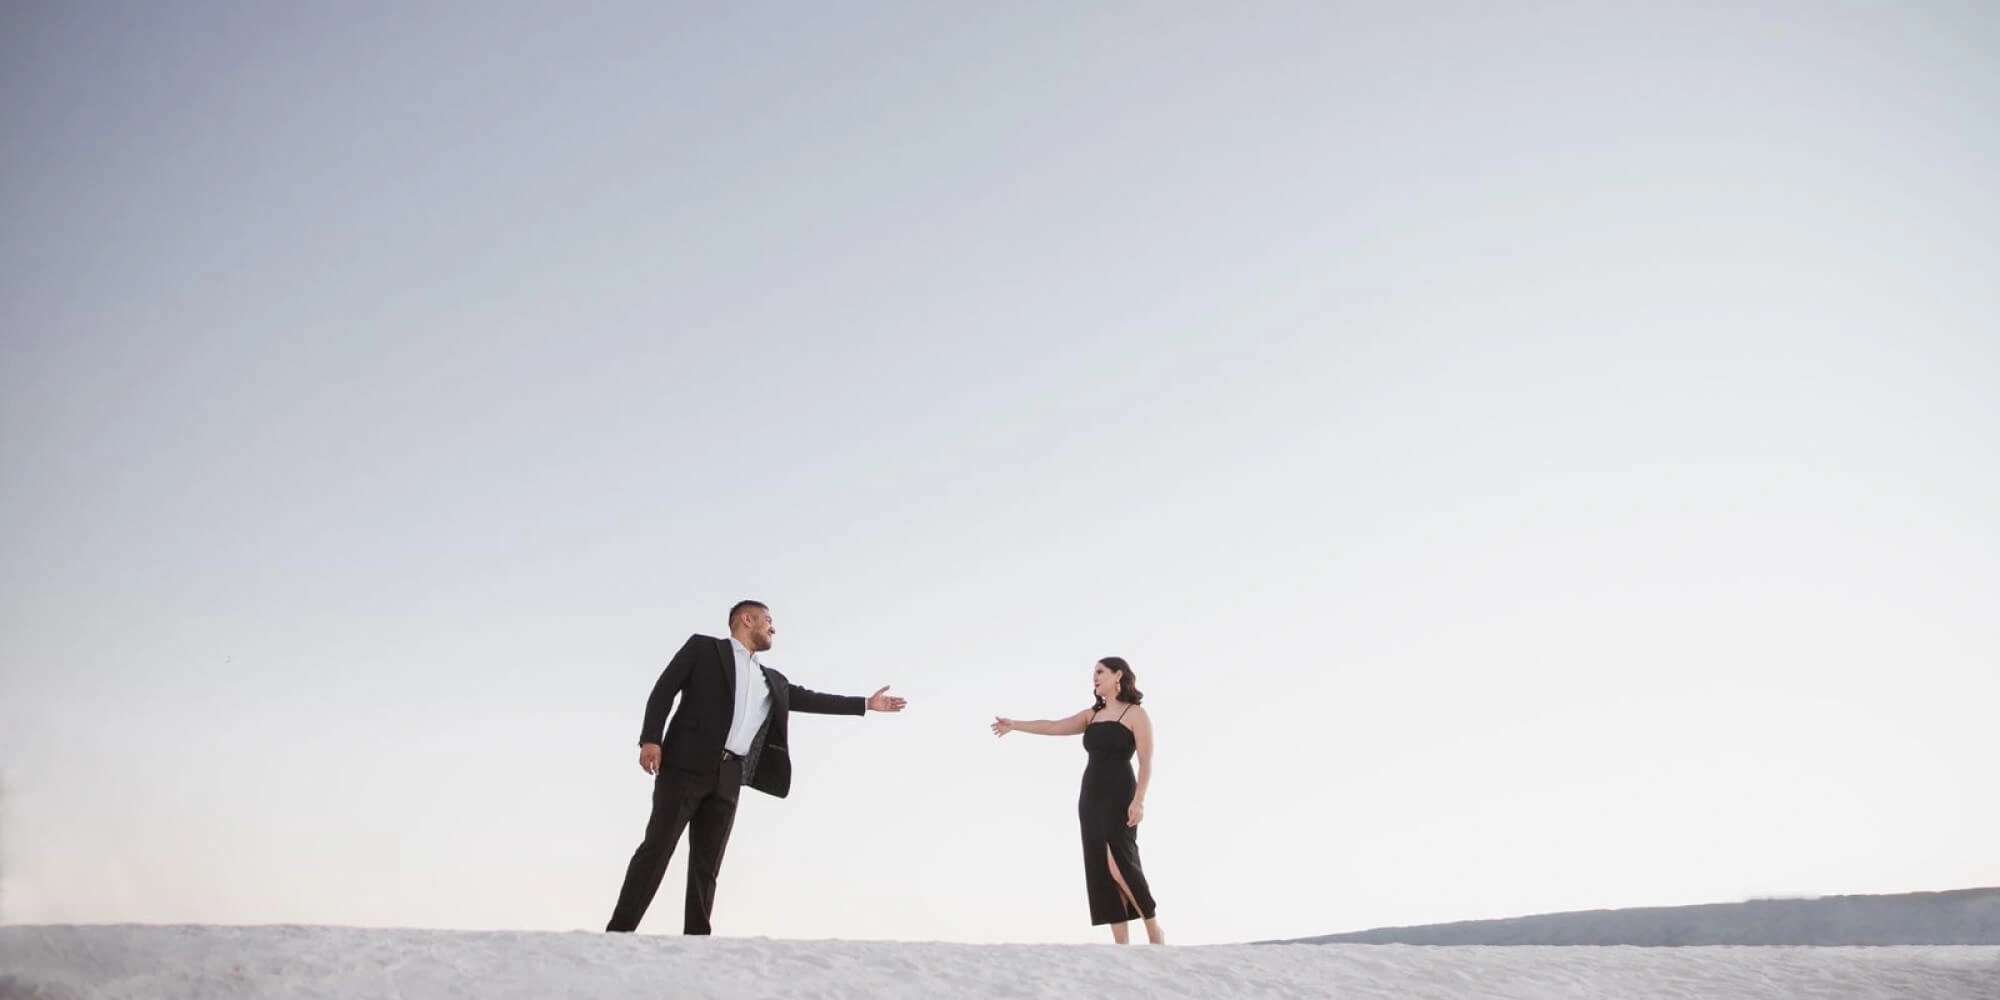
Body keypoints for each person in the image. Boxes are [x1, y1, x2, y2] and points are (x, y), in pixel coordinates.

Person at [605, 600, 907, 934]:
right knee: (657, 848)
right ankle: (619, 932)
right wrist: (651, 739)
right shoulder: (704, 648)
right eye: (768, 620)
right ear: (746, 619)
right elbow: (663, 691)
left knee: (708, 865)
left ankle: (697, 940)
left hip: (729, 777)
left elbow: (811, 698)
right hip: (684, 767)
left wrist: (865, 704)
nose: (773, 628)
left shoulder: (771, 680)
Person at [992, 656, 1165, 944]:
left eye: (1100, 672)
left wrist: (1139, 801)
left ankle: (1154, 931)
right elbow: (1054, 726)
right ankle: (1122, 944)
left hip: (1121, 793)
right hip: (1091, 797)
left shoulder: (1136, 714)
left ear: (1117, 675)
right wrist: (1016, 724)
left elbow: (1146, 761)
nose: (1095, 678)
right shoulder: (1091, 716)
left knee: (1120, 862)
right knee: (1100, 866)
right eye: (1093, 673)